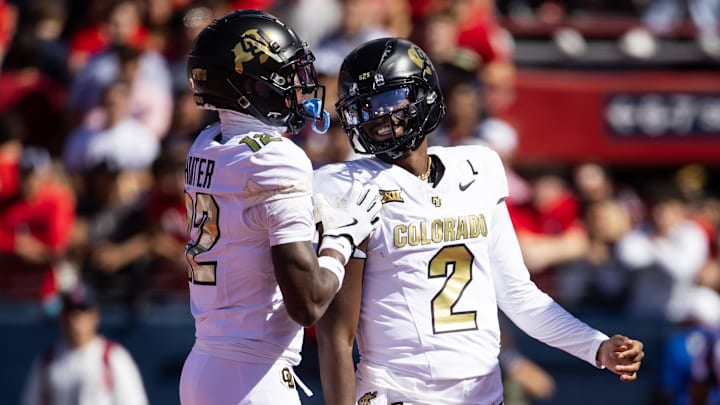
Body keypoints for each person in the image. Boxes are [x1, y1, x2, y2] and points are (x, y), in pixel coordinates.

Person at [313, 37, 645, 404]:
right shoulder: (343, 185)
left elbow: (518, 296)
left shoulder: (477, 168)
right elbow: (336, 334)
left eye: (389, 100)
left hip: (483, 393)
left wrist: (596, 346)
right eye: (365, 107)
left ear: (425, 96)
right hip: (398, 394)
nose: (378, 116)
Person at [178, 10, 382, 405]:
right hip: (252, 376)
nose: (298, 87)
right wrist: (341, 238)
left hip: (206, 363)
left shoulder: (207, 143)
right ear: (250, 87)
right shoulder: (275, 158)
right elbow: (308, 302)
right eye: (286, 77)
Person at [20, 283, 148, 405]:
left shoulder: (113, 357)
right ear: (62, 317)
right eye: (70, 313)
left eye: (83, 312)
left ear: (95, 316)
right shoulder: (47, 361)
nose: (76, 320)